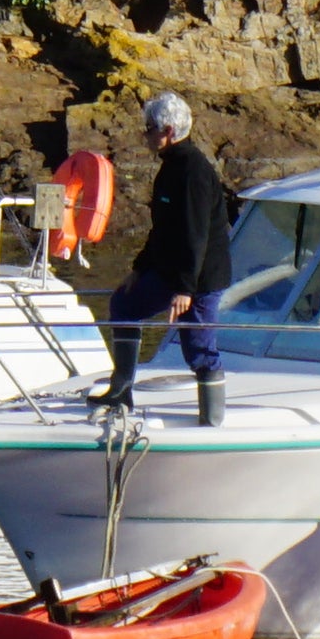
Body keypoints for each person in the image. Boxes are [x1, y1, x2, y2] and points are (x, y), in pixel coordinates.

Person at [96, 90, 231, 424]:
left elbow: (195, 235)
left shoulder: (193, 172)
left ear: (168, 131)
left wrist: (186, 289)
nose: (145, 135)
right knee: (124, 304)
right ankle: (121, 391)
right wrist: (139, 268)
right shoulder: (170, 167)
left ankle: (212, 419)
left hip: (199, 279)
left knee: (198, 349)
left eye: (149, 128)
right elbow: (163, 228)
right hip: (172, 271)